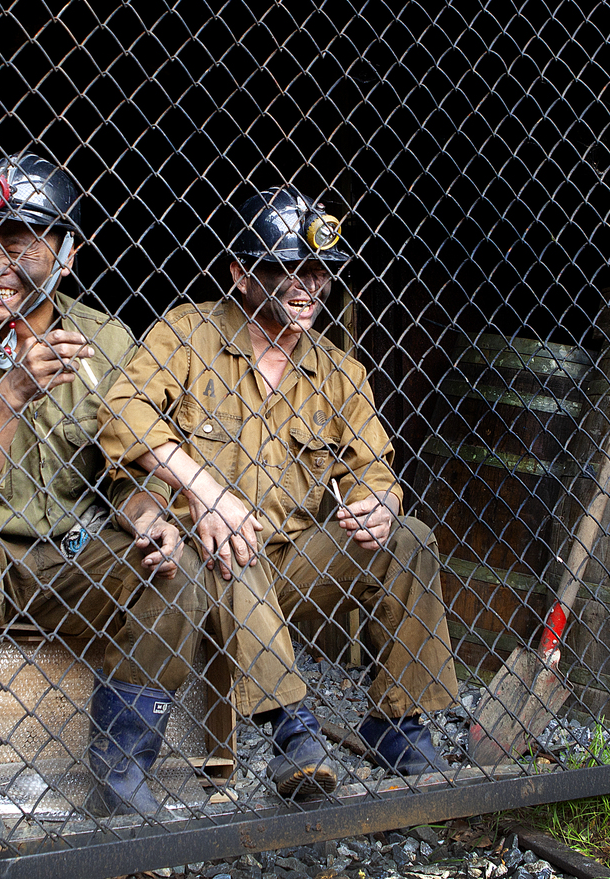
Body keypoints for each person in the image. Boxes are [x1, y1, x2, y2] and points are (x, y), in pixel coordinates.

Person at [97, 185, 458, 800]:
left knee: (410, 539)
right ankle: (293, 729)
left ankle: (397, 722)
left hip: (291, 565)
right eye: (288, 268)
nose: (307, 286)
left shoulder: (340, 371)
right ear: (241, 273)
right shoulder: (186, 333)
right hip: (198, 565)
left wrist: (380, 503)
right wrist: (205, 491)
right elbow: (121, 413)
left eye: (319, 271)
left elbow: (373, 467)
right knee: (230, 540)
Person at [0, 153, 203, 860]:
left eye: (17, 243)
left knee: (177, 560)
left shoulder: (108, 340)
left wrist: (152, 514)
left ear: (66, 256)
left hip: (79, 559)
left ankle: (122, 771)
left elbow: (127, 468)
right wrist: (10, 393)